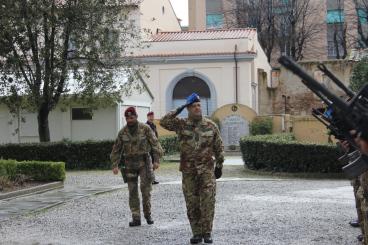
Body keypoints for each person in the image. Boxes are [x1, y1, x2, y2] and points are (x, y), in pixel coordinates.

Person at [160, 93, 224, 244]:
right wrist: (179, 108)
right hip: (189, 172)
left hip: (207, 171)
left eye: (199, 105)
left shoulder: (210, 125)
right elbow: (164, 122)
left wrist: (220, 165)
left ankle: (207, 233)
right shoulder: (181, 124)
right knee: (192, 203)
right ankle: (196, 233)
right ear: (188, 108)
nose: (197, 108)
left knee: (208, 202)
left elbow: (219, 147)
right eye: (194, 106)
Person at [110, 107, 163, 227]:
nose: (130, 119)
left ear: (136, 116)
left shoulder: (145, 128)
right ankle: (136, 218)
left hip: (144, 163)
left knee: (145, 190)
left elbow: (155, 144)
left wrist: (157, 160)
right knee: (132, 191)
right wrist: (115, 164)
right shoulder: (122, 132)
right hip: (129, 164)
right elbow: (116, 149)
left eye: (132, 117)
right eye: (127, 118)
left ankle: (148, 214)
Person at [146, 111, 159, 185]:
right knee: (149, 164)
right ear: (147, 117)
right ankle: (150, 179)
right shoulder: (146, 125)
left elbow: (156, 135)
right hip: (148, 147)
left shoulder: (154, 125)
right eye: (150, 116)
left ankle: (152, 179)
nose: (152, 117)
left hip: (153, 147)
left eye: (153, 116)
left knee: (154, 163)